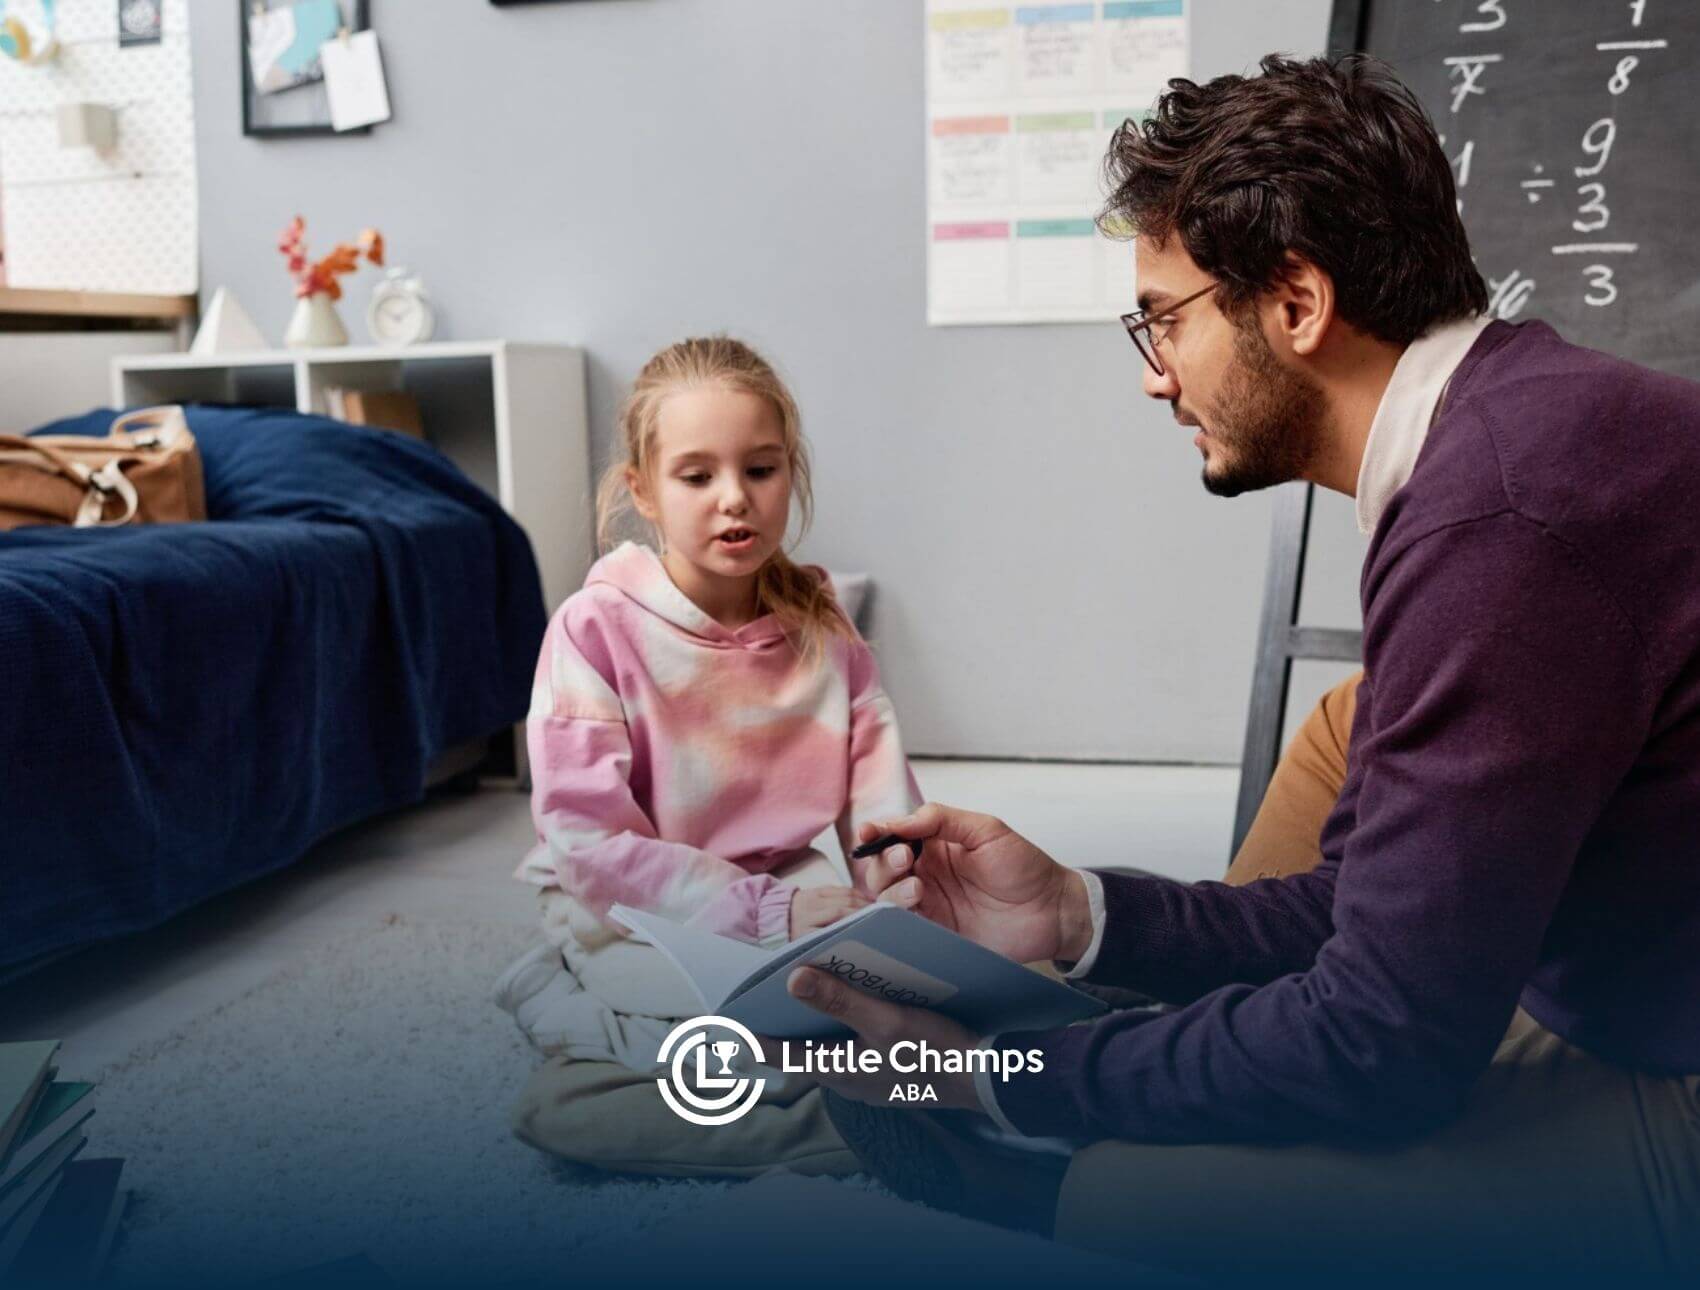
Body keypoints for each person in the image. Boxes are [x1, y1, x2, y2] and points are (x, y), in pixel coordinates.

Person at [787, 55, 1700, 1278]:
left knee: (1122, 1187)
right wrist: (1077, 913)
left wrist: (1004, 1078)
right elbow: (1371, 910)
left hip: (1666, 1076)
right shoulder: (1510, 429)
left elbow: (1381, 1047)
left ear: (1296, 303)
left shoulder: (1500, 519)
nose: (1153, 374)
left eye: (1162, 317)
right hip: (1622, 971)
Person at [492, 336, 920, 1174]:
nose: (736, 501)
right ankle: (570, 1011)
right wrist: (763, 916)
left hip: (780, 894)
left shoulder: (824, 628)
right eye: (697, 477)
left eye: (760, 470)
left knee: (909, 1007)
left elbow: (883, 805)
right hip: (632, 912)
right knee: (780, 1039)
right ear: (642, 492)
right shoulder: (594, 629)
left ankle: (864, 1106)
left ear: (789, 472)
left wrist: (902, 903)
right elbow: (588, 846)